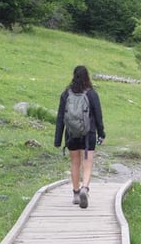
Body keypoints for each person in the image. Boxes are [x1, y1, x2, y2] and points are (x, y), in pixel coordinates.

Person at [54, 65, 105, 209]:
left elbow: (60, 118)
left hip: (71, 135)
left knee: (75, 163)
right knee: (87, 164)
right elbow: (98, 116)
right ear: (87, 77)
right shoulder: (92, 94)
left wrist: (58, 139)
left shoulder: (66, 94)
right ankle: (85, 188)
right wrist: (101, 134)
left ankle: (76, 194)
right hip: (88, 135)